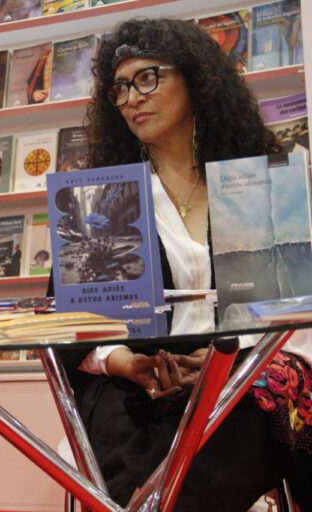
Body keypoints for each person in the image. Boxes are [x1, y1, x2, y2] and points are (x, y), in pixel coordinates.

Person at [50, 17, 312, 510]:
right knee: (132, 452)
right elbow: (75, 324)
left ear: (196, 80)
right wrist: (127, 363)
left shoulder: (256, 184)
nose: (132, 97)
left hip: (239, 377)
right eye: (120, 87)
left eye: (148, 78)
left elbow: (296, 311)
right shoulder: (102, 197)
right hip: (133, 383)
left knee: (217, 442)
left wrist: (227, 363)